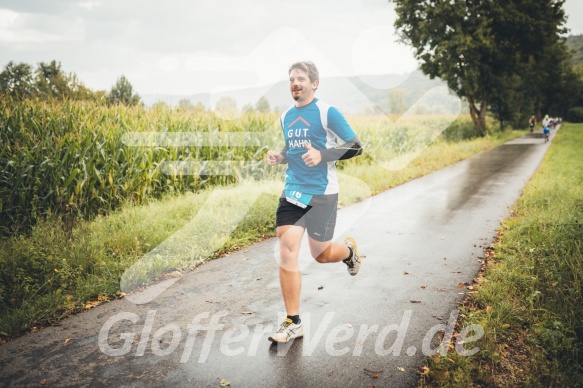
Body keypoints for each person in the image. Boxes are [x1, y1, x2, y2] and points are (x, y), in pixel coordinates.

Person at [266, 61, 364, 343]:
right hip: (294, 190)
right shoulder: (286, 116)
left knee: (320, 255)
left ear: (313, 83)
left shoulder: (326, 112)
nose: (295, 83)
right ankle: (293, 322)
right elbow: (293, 149)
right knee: (286, 250)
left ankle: (348, 252)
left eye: (300, 78)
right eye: (291, 79)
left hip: (323, 192)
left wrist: (322, 154)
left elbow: (355, 146)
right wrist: (281, 157)